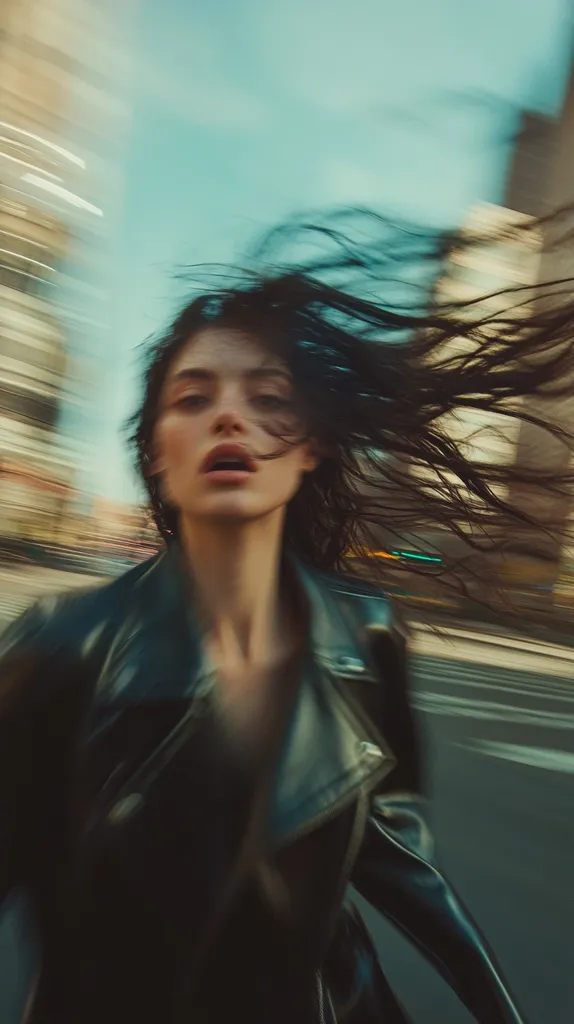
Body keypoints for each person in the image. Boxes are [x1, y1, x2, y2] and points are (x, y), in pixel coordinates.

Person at [2, 208, 572, 1024]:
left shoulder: (365, 631)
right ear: (158, 454)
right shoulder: (63, 647)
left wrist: (498, 1008)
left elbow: (405, 863)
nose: (229, 417)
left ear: (310, 446)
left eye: (268, 397)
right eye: (194, 398)